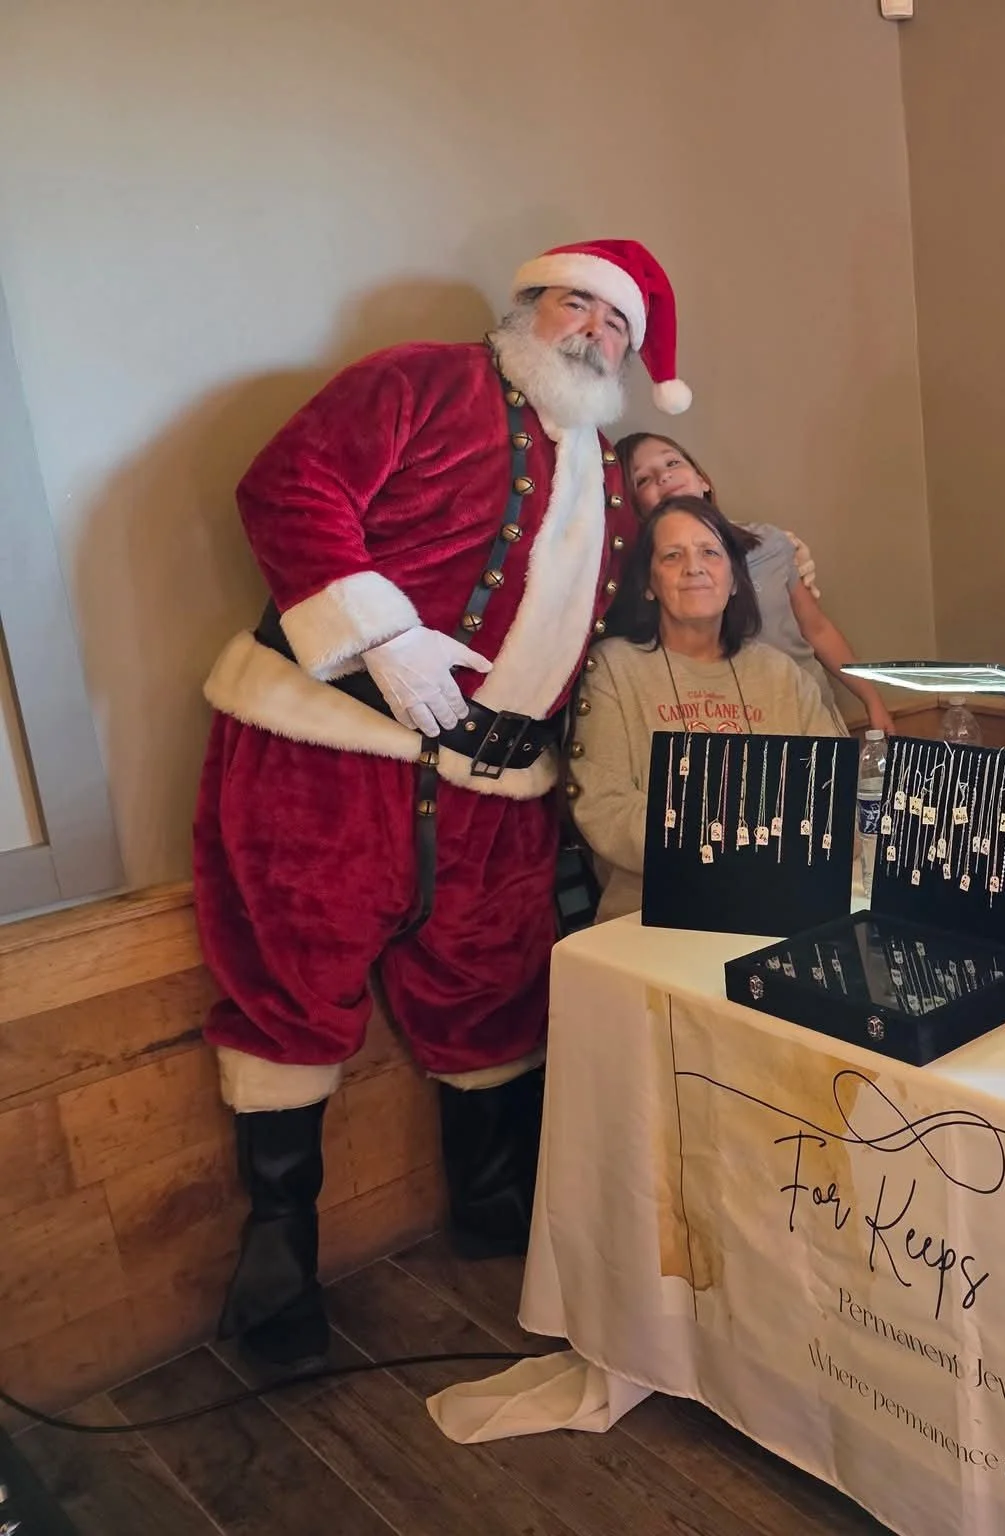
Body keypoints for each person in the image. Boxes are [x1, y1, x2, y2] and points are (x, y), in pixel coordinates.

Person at [193, 238, 686, 1366]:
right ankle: (276, 1265)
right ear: (529, 305)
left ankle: (491, 1202)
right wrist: (383, 637)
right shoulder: (421, 379)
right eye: (576, 307)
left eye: (614, 328)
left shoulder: (605, 469)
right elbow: (289, 484)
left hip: (497, 788)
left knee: (488, 990)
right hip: (331, 752)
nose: (592, 334)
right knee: (289, 989)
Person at [573, 494, 846, 922]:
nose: (694, 567)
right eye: (672, 556)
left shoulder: (781, 674)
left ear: (734, 579)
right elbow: (606, 809)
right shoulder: (612, 668)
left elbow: (830, 793)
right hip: (650, 917)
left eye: (710, 553)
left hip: (779, 904)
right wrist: (739, 845)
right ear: (648, 583)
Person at [617, 432, 893, 733]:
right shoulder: (654, 577)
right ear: (635, 510)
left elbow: (817, 627)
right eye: (643, 479)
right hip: (735, 725)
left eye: (672, 462)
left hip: (812, 716)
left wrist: (872, 699)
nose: (664, 476)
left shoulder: (770, 543)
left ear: (703, 480)